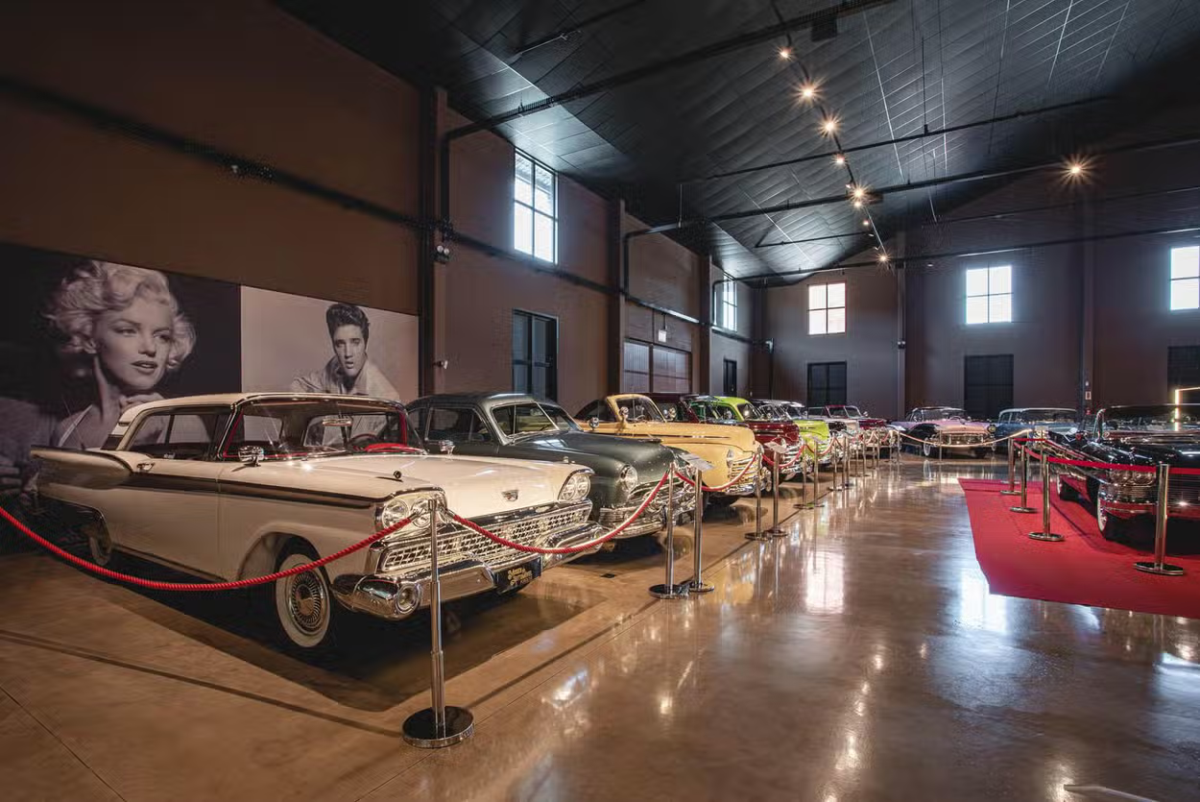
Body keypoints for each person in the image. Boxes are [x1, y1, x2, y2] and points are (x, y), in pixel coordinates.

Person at [44, 262, 196, 450]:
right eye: (127, 331)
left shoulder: (181, 424)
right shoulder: (66, 429)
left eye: (162, 336)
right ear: (89, 339)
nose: (150, 348)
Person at [290, 303, 399, 400]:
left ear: (365, 342)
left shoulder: (386, 397)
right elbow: (297, 386)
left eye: (355, 342)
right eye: (340, 344)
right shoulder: (334, 366)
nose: (347, 353)